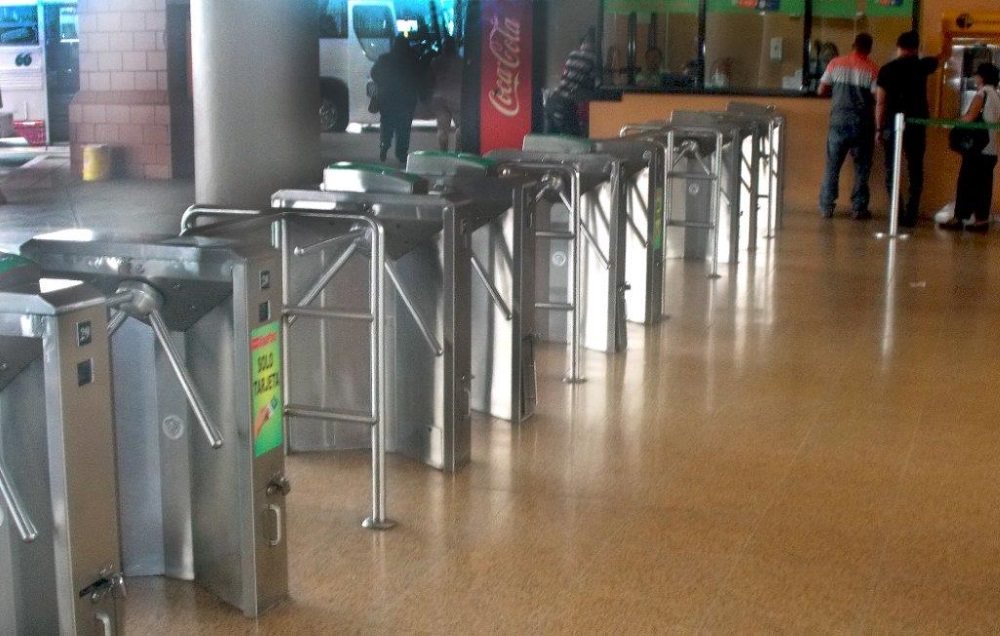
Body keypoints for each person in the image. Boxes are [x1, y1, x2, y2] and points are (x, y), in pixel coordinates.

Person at [876, 31, 940, 227]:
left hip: (892, 123)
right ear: (916, 49)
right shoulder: (922, 66)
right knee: (915, 167)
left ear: (898, 46)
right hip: (916, 123)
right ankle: (912, 213)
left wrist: (878, 128)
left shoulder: (886, 69)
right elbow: (941, 56)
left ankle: (897, 210)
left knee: (891, 168)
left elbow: (880, 102)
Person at [818, 33, 878, 220]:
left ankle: (827, 207)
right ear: (869, 49)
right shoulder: (873, 69)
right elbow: (877, 96)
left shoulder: (835, 63)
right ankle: (858, 209)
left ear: (853, 45)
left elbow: (822, 89)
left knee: (833, 166)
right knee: (862, 168)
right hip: (862, 124)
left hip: (838, 122)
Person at [937, 63, 1000, 233]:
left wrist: (954, 122)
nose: (975, 78)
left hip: (977, 148)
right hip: (991, 148)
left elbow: (971, 116)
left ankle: (959, 218)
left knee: (966, 182)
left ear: (982, 77)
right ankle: (981, 221)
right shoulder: (996, 95)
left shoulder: (982, 93)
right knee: (984, 186)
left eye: (977, 75)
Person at [371, 35, 426, 165]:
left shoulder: (384, 58)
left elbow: (374, 73)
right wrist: (422, 95)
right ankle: (401, 153)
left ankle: (384, 145)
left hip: (387, 97)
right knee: (404, 127)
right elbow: (419, 78)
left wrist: (382, 83)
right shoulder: (412, 59)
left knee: (386, 123)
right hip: (406, 99)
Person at [545, 31, 598, 137]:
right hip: (565, 104)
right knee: (574, 141)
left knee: (551, 142)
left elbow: (569, 74)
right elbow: (595, 83)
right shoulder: (593, 59)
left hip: (553, 99)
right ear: (594, 44)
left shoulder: (573, 54)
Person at [429, 37, 463, 152]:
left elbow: (430, 79)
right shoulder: (461, 62)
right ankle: (458, 152)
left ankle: (443, 152)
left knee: (442, 129)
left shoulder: (436, 61)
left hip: (439, 97)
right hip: (457, 97)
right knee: (461, 127)